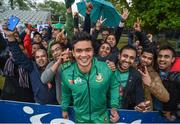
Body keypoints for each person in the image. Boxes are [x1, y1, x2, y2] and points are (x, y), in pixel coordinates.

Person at [61, 31, 119, 123]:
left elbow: (114, 86)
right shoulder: (66, 73)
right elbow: (65, 93)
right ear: (73, 53)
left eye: (88, 50)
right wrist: (64, 108)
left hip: (101, 118)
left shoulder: (106, 69)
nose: (84, 55)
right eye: (79, 51)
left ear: (93, 51)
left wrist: (114, 106)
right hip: (80, 119)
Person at [114, 45, 149, 111]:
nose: (127, 60)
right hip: (105, 110)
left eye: (131, 58)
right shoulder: (109, 69)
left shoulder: (136, 75)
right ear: (119, 56)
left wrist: (139, 105)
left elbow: (139, 95)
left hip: (124, 112)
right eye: (125, 56)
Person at [157, 46, 180, 121]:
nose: (162, 59)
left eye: (166, 57)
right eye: (160, 56)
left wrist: (175, 114)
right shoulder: (154, 72)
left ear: (173, 59)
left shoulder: (177, 77)